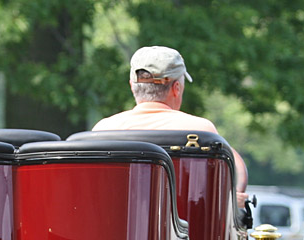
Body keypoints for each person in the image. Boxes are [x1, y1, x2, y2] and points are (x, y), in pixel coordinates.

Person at [92, 45, 248, 195]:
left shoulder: (102, 131)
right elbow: (236, 173)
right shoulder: (201, 130)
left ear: (132, 86)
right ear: (176, 88)